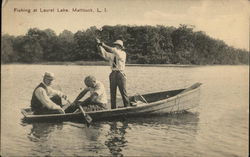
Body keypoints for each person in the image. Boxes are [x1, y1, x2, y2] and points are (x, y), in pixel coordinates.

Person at [96, 39, 130, 109]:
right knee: (112, 93)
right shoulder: (112, 55)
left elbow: (113, 50)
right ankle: (113, 108)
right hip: (113, 74)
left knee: (123, 92)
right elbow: (104, 54)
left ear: (120, 47)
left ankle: (127, 107)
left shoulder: (123, 53)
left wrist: (103, 45)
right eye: (115, 45)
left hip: (120, 74)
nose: (115, 47)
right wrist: (99, 46)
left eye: (117, 46)